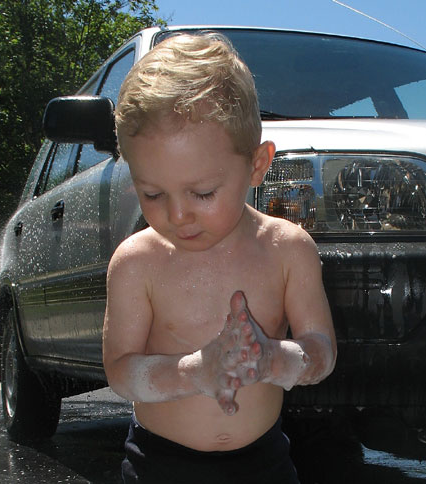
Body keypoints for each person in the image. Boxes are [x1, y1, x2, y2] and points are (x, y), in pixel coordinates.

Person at [103, 31, 337, 484]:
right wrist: (196, 371)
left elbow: (321, 352)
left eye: (203, 192)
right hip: (159, 466)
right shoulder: (138, 262)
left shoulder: (287, 250)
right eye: (152, 193)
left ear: (257, 165)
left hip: (263, 464)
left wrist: (275, 360)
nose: (176, 214)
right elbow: (120, 373)